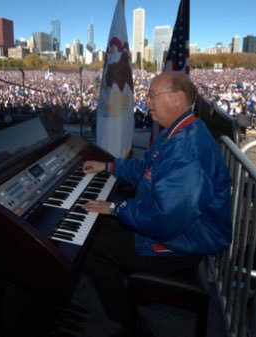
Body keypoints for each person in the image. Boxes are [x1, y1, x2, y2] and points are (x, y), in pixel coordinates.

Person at [81, 71, 232, 336]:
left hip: (181, 244)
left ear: (177, 98)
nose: (146, 102)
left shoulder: (188, 150)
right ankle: (132, 293)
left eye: (152, 95)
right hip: (174, 227)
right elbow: (145, 168)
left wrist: (117, 208)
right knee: (99, 222)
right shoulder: (178, 130)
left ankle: (129, 320)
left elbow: (165, 219)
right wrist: (108, 166)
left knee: (91, 243)